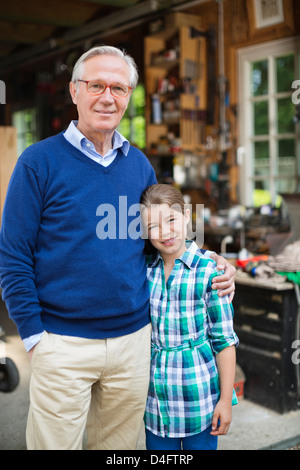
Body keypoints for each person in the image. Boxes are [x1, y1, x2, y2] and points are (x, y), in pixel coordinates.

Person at [0, 45, 235, 450]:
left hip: (133, 341)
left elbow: (160, 238)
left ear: (128, 97)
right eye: (96, 85)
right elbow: (13, 256)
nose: (108, 97)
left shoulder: (139, 165)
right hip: (62, 341)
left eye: (119, 88)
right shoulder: (37, 162)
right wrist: (35, 336)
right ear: (74, 91)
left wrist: (211, 261)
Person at [140, 184, 239, 451]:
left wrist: (225, 401)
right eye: (153, 227)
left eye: (171, 219)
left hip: (200, 402)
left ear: (186, 216)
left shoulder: (210, 272)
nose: (165, 232)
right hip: (156, 405)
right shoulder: (145, 272)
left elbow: (224, 341)